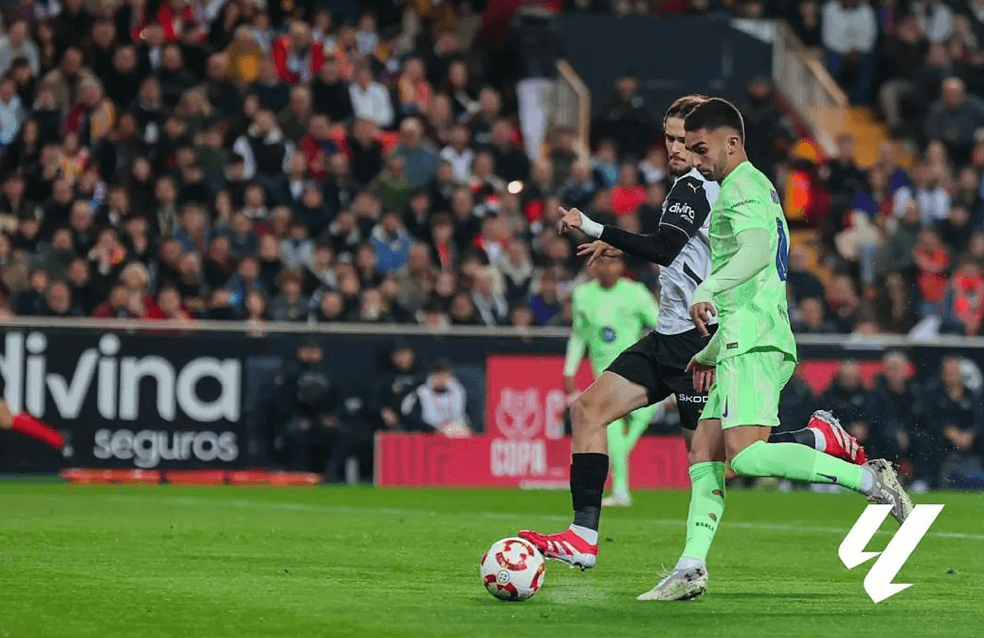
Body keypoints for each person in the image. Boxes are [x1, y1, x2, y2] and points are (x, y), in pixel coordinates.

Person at [519, 94, 869, 577]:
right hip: (667, 334)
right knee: (588, 410)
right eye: (670, 138)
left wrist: (597, 226)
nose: (677, 149)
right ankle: (584, 538)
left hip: (698, 339)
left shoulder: (703, 186)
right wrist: (622, 245)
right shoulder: (707, 184)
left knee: (718, 460)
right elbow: (679, 249)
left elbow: (668, 247)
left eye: (687, 141)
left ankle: (813, 441)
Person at [641, 98, 910, 600]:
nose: (697, 160)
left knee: (746, 458)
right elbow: (755, 282)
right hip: (740, 334)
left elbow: (757, 252)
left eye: (702, 149)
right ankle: (691, 566)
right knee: (704, 452)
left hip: (755, 338)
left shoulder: (740, 186)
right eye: (689, 150)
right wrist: (711, 349)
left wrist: (706, 288)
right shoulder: (753, 187)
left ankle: (869, 480)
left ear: (732, 142)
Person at [564, 253, 660, 506]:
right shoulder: (583, 295)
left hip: (636, 371)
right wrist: (569, 369)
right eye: (602, 262)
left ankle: (619, 467)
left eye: (613, 261)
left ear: (622, 265)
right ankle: (620, 490)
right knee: (612, 429)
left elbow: (661, 326)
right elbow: (578, 335)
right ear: (594, 265)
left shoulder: (636, 293)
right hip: (605, 375)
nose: (608, 267)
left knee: (638, 419)